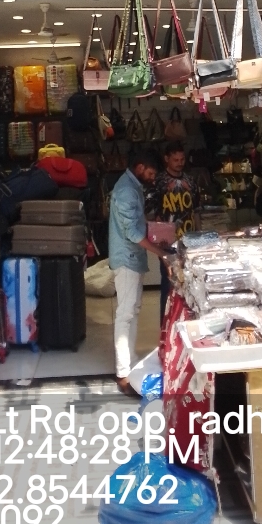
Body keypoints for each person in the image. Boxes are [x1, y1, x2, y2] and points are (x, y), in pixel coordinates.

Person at [108, 148, 169, 396]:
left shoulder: (132, 187)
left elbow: (136, 225)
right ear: (141, 167)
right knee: (125, 314)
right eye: (151, 173)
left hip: (132, 258)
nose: (153, 178)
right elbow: (132, 233)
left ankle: (129, 364)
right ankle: (123, 373)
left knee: (131, 312)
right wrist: (160, 252)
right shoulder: (126, 191)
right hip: (127, 259)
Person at [146, 140, 201, 320]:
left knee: (190, 283)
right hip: (167, 243)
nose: (180, 163)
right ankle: (165, 324)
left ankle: (184, 321)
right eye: (175, 160)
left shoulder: (190, 181)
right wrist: (156, 236)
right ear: (166, 159)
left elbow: (196, 210)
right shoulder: (158, 182)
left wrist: (199, 237)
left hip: (189, 240)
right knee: (168, 284)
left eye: (182, 159)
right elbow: (149, 212)